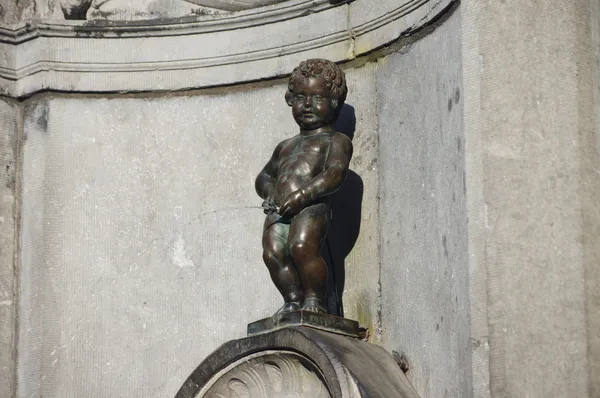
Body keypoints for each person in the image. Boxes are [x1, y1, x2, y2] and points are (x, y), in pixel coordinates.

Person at [255, 59, 353, 315]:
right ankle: (292, 300)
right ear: (290, 99)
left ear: (334, 100)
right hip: (279, 206)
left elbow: (335, 174)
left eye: (317, 97)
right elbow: (264, 176)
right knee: (273, 252)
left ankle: (314, 301)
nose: (307, 104)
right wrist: (269, 191)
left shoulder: (336, 140)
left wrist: (302, 196)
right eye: (301, 97)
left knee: (301, 246)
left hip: (311, 206)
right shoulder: (285, 145)